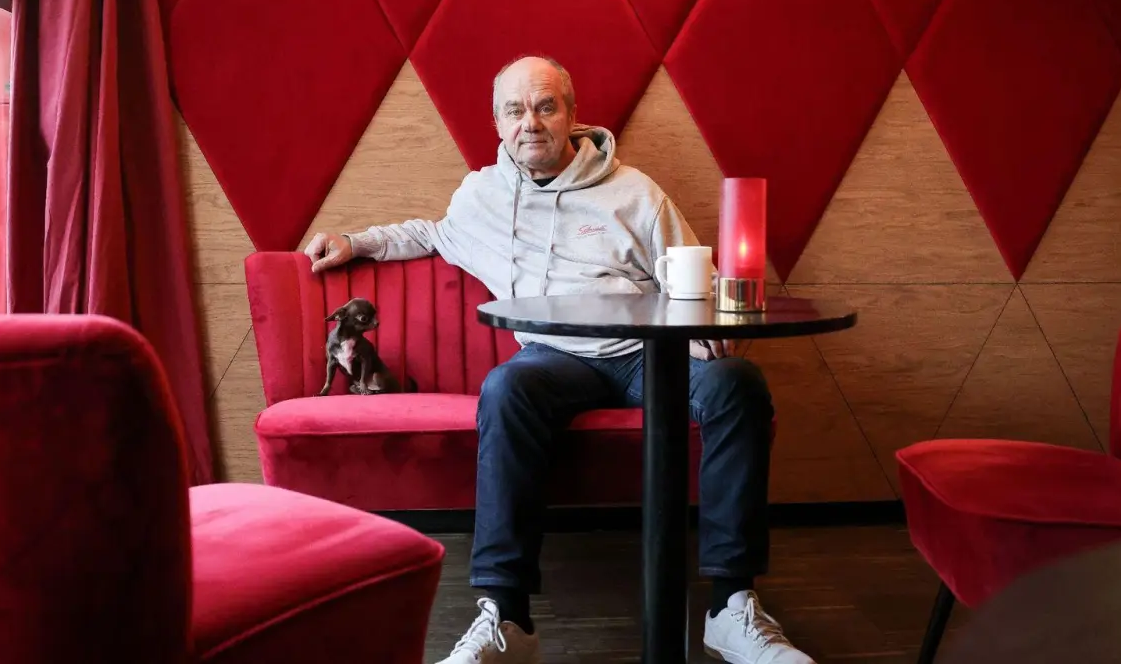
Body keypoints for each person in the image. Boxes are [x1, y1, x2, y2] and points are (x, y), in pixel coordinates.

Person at [303, 55, 812, 664]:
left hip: (647, 354)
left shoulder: (635, 191)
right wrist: (355, 242)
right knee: (505, 389)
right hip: (553, 360)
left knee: (737, 383)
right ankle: (506, 617)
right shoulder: (481, 195)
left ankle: (731, 607)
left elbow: (691, 272)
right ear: (497, 122)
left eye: (545, 106)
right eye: (515, 110)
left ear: (572, 115)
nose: (531, 122)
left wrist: (704, 331)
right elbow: (431, 233)